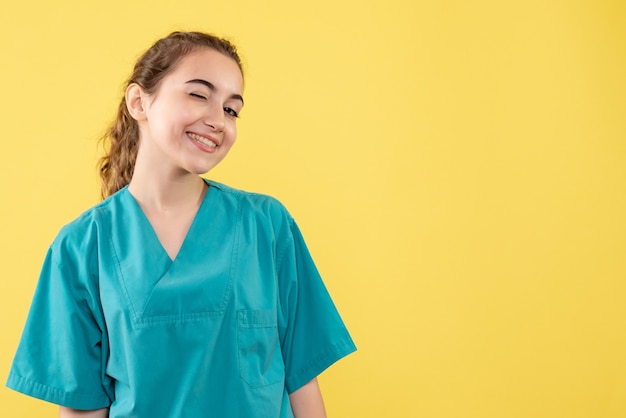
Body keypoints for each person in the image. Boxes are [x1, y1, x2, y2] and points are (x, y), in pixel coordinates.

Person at [6, 31, 356, 417]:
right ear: (140, 102)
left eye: (231, 109)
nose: (218, 120)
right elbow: (82, 406)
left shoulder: (268, 227)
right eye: (199, 95)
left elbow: (302, 382)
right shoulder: (81, 246)